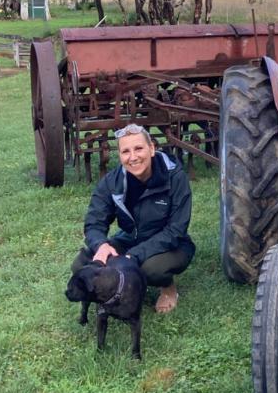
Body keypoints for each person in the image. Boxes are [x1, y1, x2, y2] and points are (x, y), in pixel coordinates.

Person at [72, 123, 195, 313]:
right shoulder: (111, 182)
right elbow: (94, 222)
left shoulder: (175, 177)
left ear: (152, 149)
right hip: (130, 239)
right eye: (125, 151)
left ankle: (168, 288)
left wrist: (133, 256)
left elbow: (176, 230)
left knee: (150, 269)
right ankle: (114, 292)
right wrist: (101, 245)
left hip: (172, 244)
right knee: (81, 264)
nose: (133, 157)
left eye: (139, 148)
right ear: (120, 155)